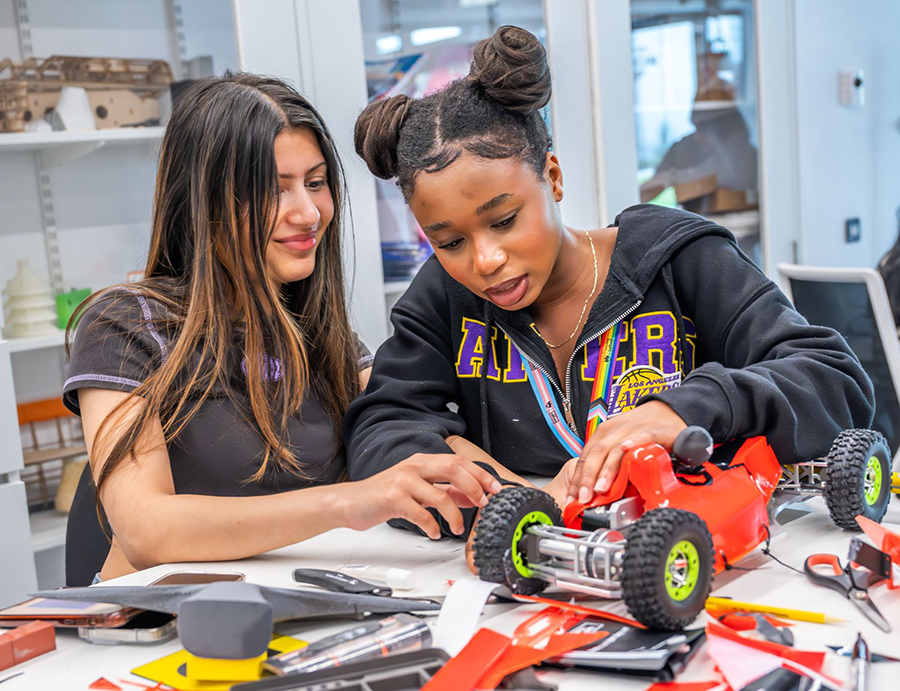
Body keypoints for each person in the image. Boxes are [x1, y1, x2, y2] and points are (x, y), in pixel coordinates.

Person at [345, 25, 874, 542]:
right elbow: (381, 430)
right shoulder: (444, 297)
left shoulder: (677, 259)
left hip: (714, 557)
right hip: (542, 567)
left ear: (552, 177)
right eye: (449, 241)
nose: (485, 260)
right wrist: (501, 496)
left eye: (504, 220)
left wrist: (681, 410)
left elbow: (835, 383)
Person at [63, 74, 502, 586]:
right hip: (161, 624)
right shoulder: (126, 326)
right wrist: (350, 502)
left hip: (302, 605)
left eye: (315, 183)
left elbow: (403, 427)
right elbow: (147, 532)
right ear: (203, 201)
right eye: (274, 190)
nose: (309, 212)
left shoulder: (323, 336)